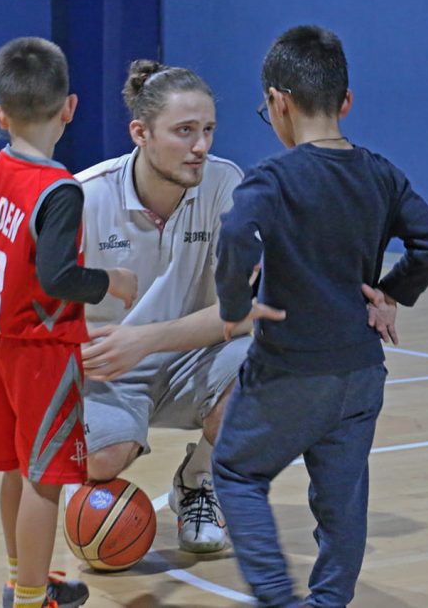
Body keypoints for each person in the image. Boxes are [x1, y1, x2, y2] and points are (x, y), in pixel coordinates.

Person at [212, 25, 428, 608]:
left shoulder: (273, 177)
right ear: (345, 102)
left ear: (278, 103)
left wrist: (234, 307)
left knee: (238, 473)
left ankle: (279, 599)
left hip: (289, 370)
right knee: (342, 501)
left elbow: (235, 233)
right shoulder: (381, 174)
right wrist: (389, 292)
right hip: (361, 373)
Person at [74, 60, 279, 553]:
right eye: (184, 131)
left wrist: (145, 339)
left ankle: (198, 479)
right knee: (102, 461)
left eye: (208, 130)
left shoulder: (226, 187)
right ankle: (102, 511)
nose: (201, 146)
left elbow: (240, 311)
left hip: (194, 357)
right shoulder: (84, 197)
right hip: (106, 368)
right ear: (140, 132)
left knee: (270, 365)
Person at [0, 37, 137, 608]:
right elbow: (59, 276)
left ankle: (22, 576)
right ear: (70, 106)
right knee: (45, 477)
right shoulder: (58, 188)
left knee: (14, 468)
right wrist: (111, 280)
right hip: (38, 348)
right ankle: (33, 596)